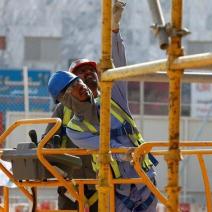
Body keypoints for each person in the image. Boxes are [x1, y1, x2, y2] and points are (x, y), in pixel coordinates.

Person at [47, 12, 158, 212]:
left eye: (89, 73)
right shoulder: (74, 127)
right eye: (78, 78)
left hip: (142, 179)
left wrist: (114, 31)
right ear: (65, 97)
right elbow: (107, 147)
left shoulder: (113, 98)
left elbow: (118, 65)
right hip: (100, 186)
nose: (86, 79)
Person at [44, 1, 126, 210]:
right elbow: (47, 147)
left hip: (109, 186)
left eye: (91, 70)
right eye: (81, 72)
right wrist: (61, 172)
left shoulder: (110, 103)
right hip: (74, 189)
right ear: (71, 84)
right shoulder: (63, 111)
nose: (89, 73)